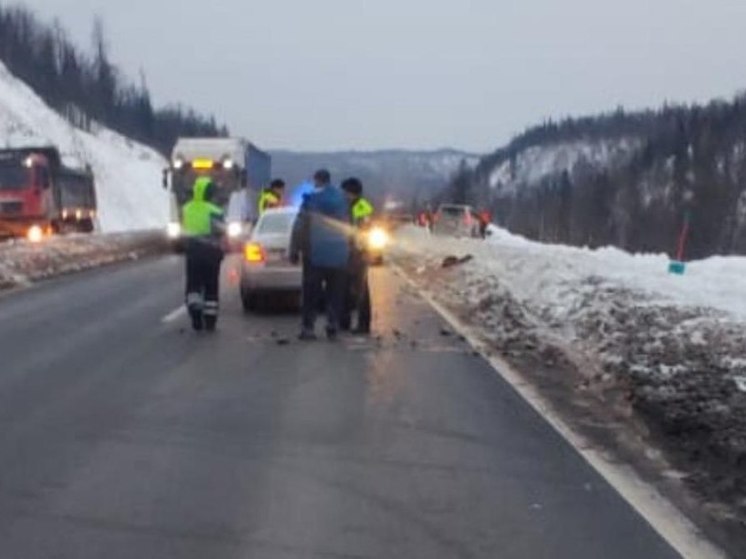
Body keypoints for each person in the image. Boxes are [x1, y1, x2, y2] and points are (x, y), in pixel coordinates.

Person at [290, 169, 350, 340]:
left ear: (317, 181)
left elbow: (299, 228)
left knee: (311, 292)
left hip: (315, 253)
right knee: (335, 292)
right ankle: (333, 324)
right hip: (339, 253)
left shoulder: (310, 200)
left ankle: (308, 328)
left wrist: (295, 250)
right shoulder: (342, 200)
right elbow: (350, 226)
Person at [181, 176, 225, 332]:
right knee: (211, 287)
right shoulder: (215, 211)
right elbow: (221, 230)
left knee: (193, 285)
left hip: (192, 253)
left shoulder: (186, 208)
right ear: (209, 194)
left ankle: (195, 316)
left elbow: (182, 230)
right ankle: (210, 321)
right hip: (211, 254)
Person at [341, 177, 374, 334]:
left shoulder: (362, 207)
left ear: (352, 193)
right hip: (348, 252)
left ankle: (363, 324)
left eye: (345, 192)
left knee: (360, 289)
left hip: (359, 253)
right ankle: (344, 321)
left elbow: (364, 230)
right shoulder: (347, 206)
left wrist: (361, 249)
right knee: (345, 287)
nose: (343, 195)